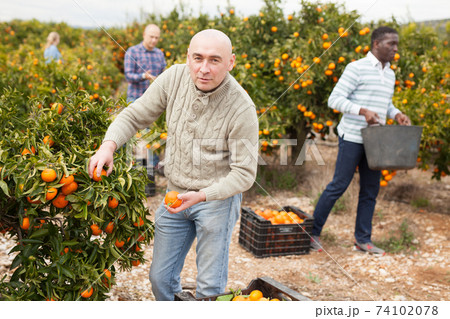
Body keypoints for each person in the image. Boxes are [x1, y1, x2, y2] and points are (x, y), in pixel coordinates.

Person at [88, 29, 259, 300]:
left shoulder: (241, 108)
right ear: (188, 57)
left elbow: (244, 174)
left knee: (210, 288)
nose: (204, 68)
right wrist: (108, 145)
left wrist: (203, 195)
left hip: (217, 201)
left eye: (214, 60)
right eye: (198, 58)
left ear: (231, 62)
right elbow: (134, 115)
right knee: (160, 277)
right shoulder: (174, 77)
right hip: (175, 195)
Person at [311, 26, 411, 255]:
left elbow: (385, 104)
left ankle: (362, 240)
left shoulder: (390, 73)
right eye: (390, 44)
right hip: (354, 137)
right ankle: (312, 233)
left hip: (376, 141)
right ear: (376, 44)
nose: (395, 49)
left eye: (396, 44)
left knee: (370, 190)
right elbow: (334, 100)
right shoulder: (356, 68)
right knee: (339, 185)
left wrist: (395, 113)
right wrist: (362, 110)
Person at [124, 24, 167, 197]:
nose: (153, 40)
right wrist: (144, 76)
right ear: (144, 35)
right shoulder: (132, 52)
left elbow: (164, 73)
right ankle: (140, 175)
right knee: (140, 139)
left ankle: (152, 171)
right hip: (136, 99)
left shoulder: (159, 54)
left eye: (156, 37)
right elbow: (128, 75)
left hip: (155, 101)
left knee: (154, 136)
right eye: (151, 37)